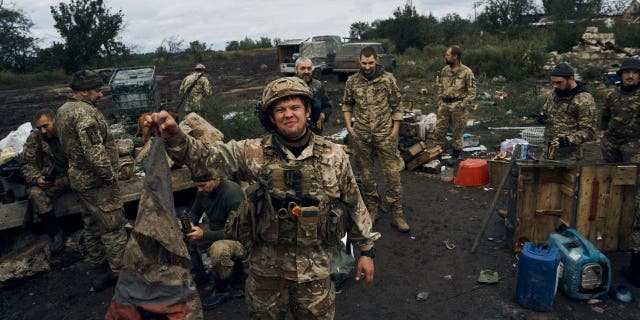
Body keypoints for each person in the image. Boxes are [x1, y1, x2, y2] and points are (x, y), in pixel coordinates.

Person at [145, 76, 379, 319]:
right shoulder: (252, 151)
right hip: (266, 274)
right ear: (270, 117)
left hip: (315, 274)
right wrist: (175, 136)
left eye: (295, 107)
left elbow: (354, 203)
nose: (288, 114)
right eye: (280, 109)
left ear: (309, 111)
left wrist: (366, 251)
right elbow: (207, 159)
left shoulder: (335, 155)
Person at [55, 70, 128, 292]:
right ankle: (124, 280)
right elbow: (94, 151)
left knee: (92, 227)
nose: (100, 95)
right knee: (113, 228)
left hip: (79, 180)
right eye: (97, 91)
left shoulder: (62, 111)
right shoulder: (84, 114)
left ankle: (100, 273)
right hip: (97, 182)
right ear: (84, 92)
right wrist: (110, 176)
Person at [342, 46, 409, 232]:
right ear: (359, 61)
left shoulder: (388, 80)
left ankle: (397, 214)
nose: (368, 66)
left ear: (376, 60)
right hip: (361, 135)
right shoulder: (353, 81)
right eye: (364, 63)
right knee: (366, 174)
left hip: (385, 134)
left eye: (371, 62)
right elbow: (347, 104)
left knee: (392, 174)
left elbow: (397, 106)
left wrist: (394, 131)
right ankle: (372, 208)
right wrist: (349, 127)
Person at [599, 58, 640, 286]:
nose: (631, 76)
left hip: (634, 148)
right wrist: (602, 135)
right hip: (611, 145)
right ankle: (609, 229)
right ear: (621, 75)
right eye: (627, 73)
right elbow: (605, 116)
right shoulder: (612, 94)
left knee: (633, 192)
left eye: (635, 73)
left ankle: (632, 234)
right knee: (610, 185)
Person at [182, 171, 247, 310]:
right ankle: (200, 276)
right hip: (216, 233)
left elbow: (237, 233)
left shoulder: (232, 193)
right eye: (197, 186)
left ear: (216, 179)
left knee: (219, 250)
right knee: (182, 234)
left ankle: (223, 288)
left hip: (238, 239)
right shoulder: (203, 191)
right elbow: (194, 212)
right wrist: (188, 226)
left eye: (203, 185)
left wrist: (203, 235)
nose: (199, 189)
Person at [21, 108, 69, 254]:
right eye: (39, 127)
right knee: (35, 193)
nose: (42, 131)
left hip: (74, 176)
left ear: (54, 122)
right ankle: (55, 233)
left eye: (45, 126)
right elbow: (26, 164)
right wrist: (37, 178)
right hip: (54, 181)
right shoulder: (35, 139)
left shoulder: (68, 133)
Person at [536, 62, 596, 160]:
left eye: (559, 82)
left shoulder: (584, 99)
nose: (555, 86)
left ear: (571, 79)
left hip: (570, 156)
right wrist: (542, 117)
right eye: (553, 82)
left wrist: (567, 140)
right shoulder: (555, 94)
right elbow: (547, 112)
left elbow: (588, 131)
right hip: (549, 151)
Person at [433, 45, 476, 166]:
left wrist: (462, 104)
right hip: (444, 105)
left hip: (458, 106)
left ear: (455, 56)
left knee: (457, 132)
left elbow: (472, 92)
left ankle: (455, 157)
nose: (445, 57)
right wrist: (440, 101)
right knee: (439, 130)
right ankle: (437, 154)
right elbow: (440, 86)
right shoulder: (444, 70)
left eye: (447, 55)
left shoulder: (467, 72)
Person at [294, 57, 333, 133]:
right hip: (295, 130)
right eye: (302, 68)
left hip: (314, 131)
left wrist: (323, 115)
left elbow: (327, 106)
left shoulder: (318, 85)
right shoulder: (288, 85)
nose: (306, 71)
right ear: (296, 70)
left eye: (309, 68)